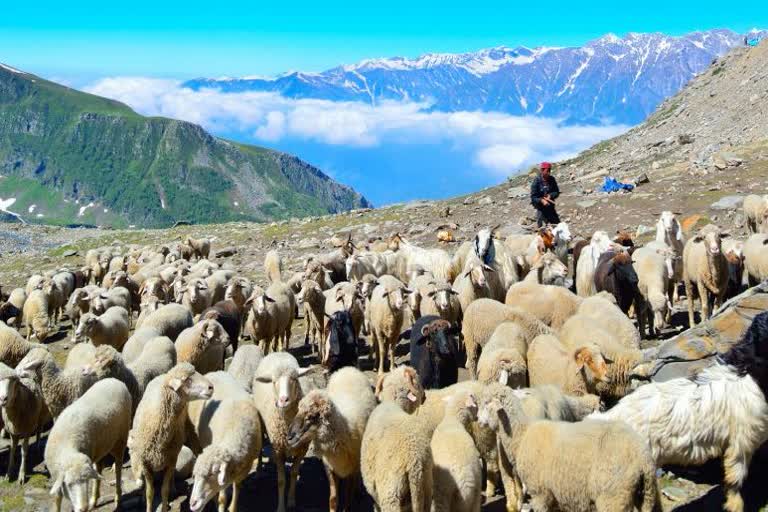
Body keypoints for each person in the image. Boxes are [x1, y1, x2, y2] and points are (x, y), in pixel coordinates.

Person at [530, 161, 560, 226]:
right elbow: (533, 197)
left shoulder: (552, 179)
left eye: (549, 171)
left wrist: (550, 195)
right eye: (547, 171)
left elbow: (556, 192)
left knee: (556, 224)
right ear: (542, 170)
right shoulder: (536, 181)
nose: (548, 173)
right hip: (540, 207)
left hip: (550, 206)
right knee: (542, 227)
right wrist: (541, 200)